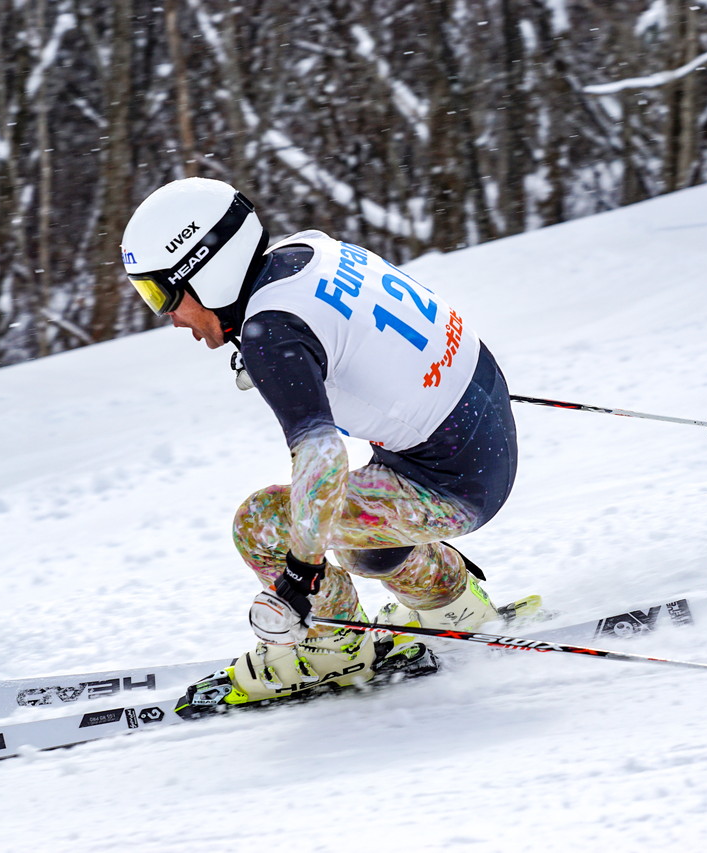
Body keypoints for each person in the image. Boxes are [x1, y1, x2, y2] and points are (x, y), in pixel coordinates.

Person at [120, 177, 519, 714]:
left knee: (261, 523)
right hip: (481, 421)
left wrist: (299, 577)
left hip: (453, 485)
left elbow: (322, 458)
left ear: (204, 270)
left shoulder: (274, 333)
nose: (169, 317)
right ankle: (450, 604)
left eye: (162, 293)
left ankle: (330, 647)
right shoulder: (306, 252)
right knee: (360, 537)